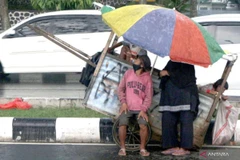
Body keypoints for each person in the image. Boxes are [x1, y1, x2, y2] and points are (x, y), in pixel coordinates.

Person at [159, 60, 199, 156]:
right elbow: (164, 73)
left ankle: (185, 148)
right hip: (169, 97)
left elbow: (185, 78)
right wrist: (161, 73)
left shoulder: (188, 62)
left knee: (186, 122)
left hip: (186, 97)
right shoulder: (171, 61)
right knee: (168, 120)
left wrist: (169, 73)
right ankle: (172, 146)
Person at [117, 50, 153, 156]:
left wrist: (143, 109)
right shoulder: (128, 73)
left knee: (143, 126)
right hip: (127, 107)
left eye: (137, 60)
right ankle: (122, 148)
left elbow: (149, 96)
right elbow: (120, 89)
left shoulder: (147, 78)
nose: (134, 61)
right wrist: (123, 103)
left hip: (140, 109)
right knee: (122, 124)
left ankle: (142, 149)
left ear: (141, 65)